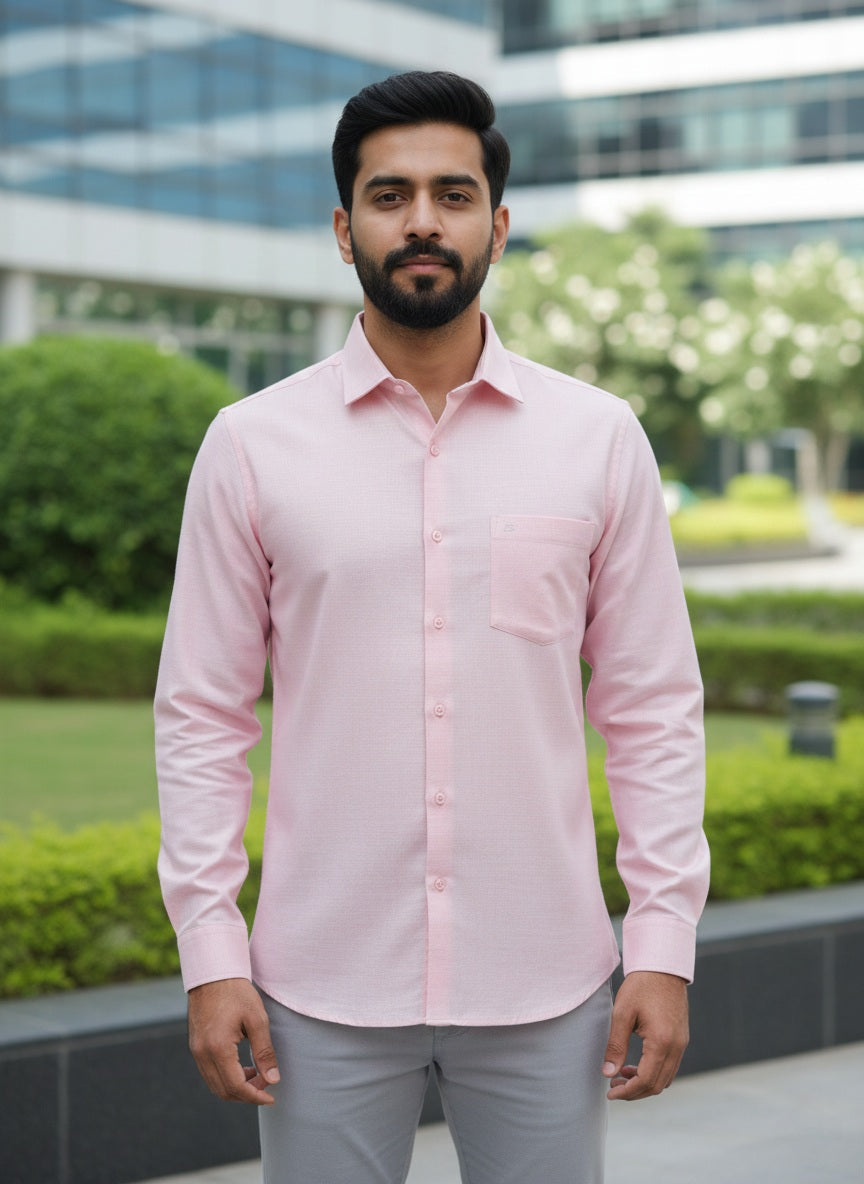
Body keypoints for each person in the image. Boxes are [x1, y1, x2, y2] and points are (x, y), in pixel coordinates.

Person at [155, 70, 709, 1184]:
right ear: (342, 225)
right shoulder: (252, 443)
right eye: (389, 194)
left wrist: (663, 943)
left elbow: (652, 709)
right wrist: (211, 952)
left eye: (453, 194)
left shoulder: (598, 438)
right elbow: (204, 715)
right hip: (318, 980)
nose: (421, 221)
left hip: (545, 974)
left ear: (497, 226)